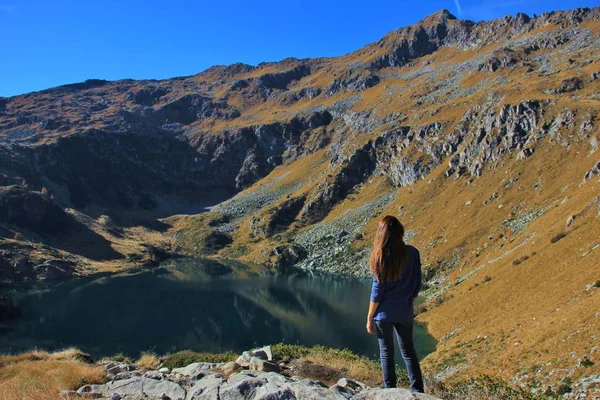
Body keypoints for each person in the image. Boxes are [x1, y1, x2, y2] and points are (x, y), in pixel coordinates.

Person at [365, 215, 424, 393]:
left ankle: (389, 390)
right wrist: (409, 301)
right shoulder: (413, 252)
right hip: (404, 311)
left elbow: (377, 292)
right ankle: (417, 390)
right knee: (409, 352)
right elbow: (417, 281)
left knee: (386, 353)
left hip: (383, 314)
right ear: (400, 232)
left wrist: (369, 317)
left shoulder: (379, 256)